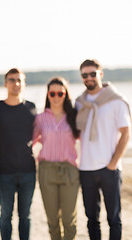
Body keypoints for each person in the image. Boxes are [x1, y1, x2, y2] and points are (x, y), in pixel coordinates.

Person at [75, 59, 131, 240]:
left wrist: (113, 163)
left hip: (109, 168)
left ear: (101, 74)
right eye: (85, 75)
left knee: (113, 218)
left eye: (93, 74)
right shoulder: (80, 103)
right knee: (92, 219)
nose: (89, 78)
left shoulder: (116, 101)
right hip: (86, 168)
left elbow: (126, 133)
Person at [0, 68, 37, 240]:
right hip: (3, 172)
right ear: (5, 83)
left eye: (19, 80)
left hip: (28, 171)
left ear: (23, 83)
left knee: (25, 215)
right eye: (11, 80)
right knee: (6, 214)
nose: (15, 83)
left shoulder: (31, 108)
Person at [32, 77, 80, 240]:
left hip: (70, 171)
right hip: (47, 171)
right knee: (52, 220)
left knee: (69, 219)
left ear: (66, 95)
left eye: (60, 93)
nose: (56, 97)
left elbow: (90, 137)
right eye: (52, 93)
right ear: (48, 95)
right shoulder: (40, 118)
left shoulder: (74, 117)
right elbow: (30, 142)